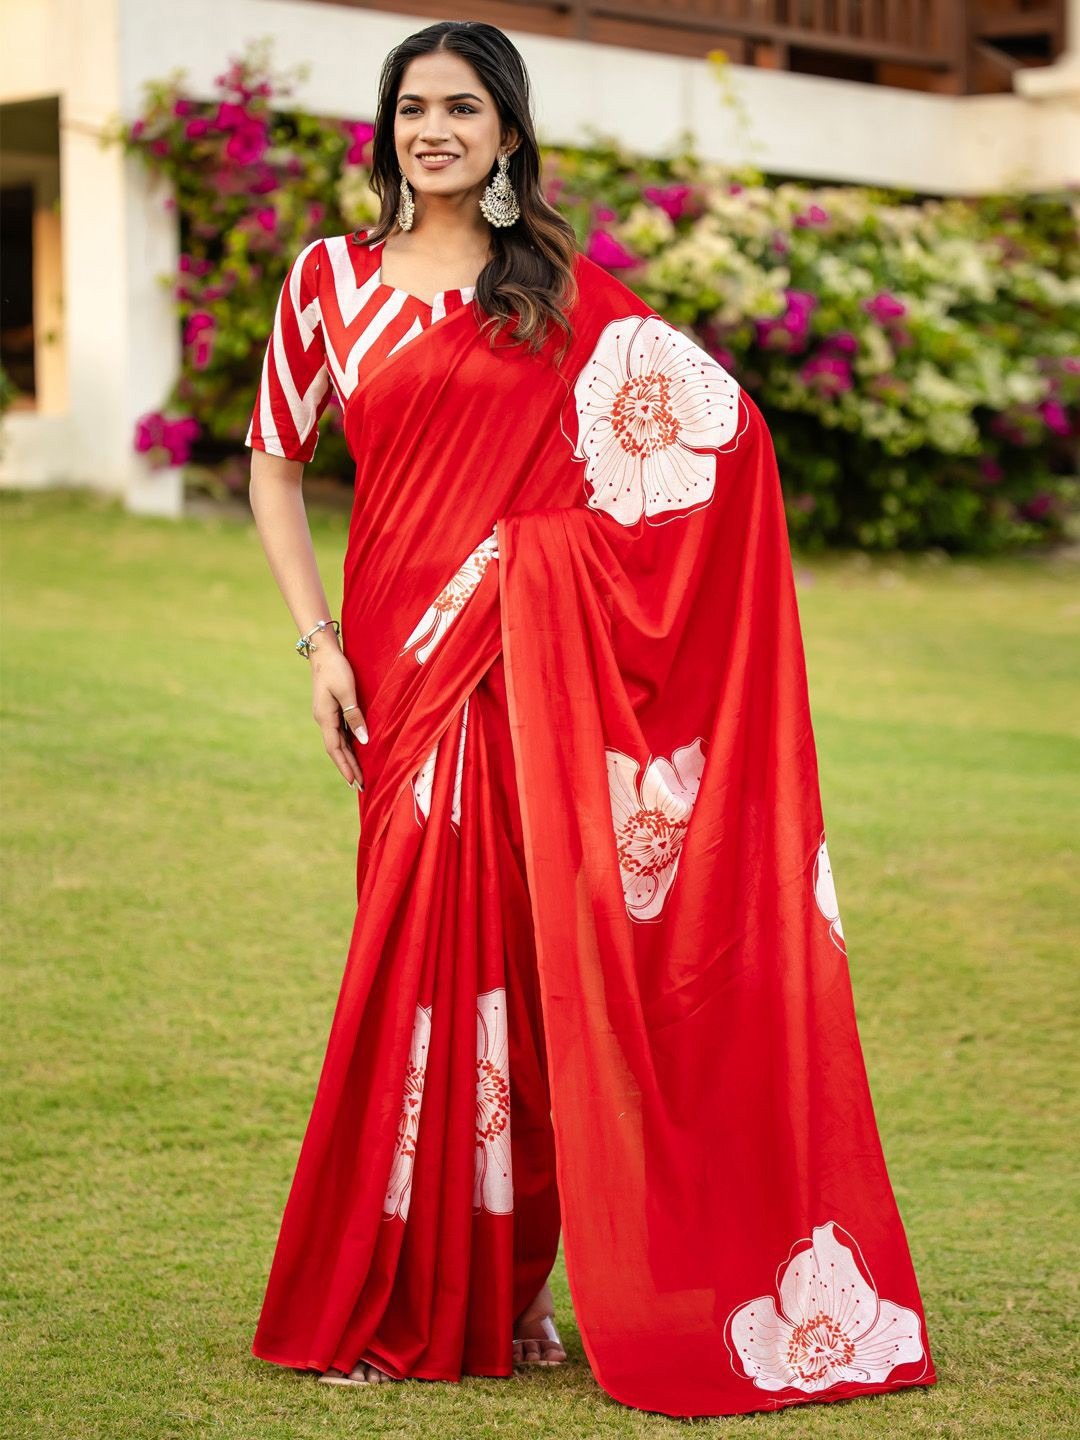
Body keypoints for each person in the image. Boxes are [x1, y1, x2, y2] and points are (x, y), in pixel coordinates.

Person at [242, 19, 938, 1421]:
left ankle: (507, 1286)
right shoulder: (326, 283)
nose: (432, 129)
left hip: (520, 676)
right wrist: (317, 644)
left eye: (463, 108)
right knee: (409, 950)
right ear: (388, 129)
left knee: (530, 962)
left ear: (507, 136)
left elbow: (716, 439)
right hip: (396, 660)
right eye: (412, 107)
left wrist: (534, 567)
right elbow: (273, 465)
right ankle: (406, 1273)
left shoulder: (557, 296)